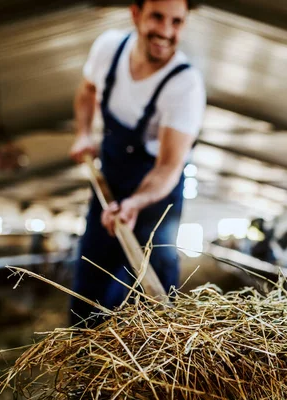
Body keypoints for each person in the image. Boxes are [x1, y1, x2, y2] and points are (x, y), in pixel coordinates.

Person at [69, 0, 206, 326]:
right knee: (92, 269)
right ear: (135, 14)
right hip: (110, 181)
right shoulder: (108, 50)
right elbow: (87, 91)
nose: (166, 31)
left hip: (157, 190)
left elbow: (169, 167)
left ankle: (156, 362)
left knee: (155, 271)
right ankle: (82, 356)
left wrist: (136, 201)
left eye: (177, 21)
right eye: (157, 17)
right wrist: (84, 133)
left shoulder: (184, 85)